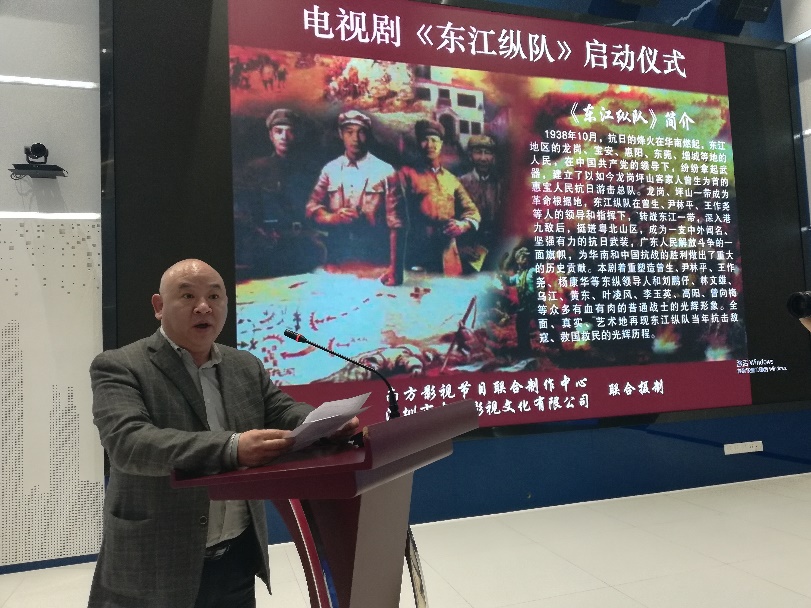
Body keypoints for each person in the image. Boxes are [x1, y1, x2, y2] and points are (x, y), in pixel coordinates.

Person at [87, 259, 358, 608]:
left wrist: (323, 424)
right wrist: (232, 448)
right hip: (156, 563)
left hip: (237, 559)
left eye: (214, 296)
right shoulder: (121, 366)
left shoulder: (243, 365)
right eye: (188, 296)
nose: (204, 307)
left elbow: (282, 410)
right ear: (159, 306)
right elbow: (129, 444)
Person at [233, 108, 325, 279]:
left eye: (290, 131)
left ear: (297, 135)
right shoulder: (256, 169)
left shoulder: (311, 170)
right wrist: (261, 232)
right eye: (279, 131)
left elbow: (318, 207)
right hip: (268, 246)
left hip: (304, 246)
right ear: (271, 135)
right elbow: (242, 211)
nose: (284, 137)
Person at [305, 110, 400, 271]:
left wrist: (395, 267)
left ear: (368, 135)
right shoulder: (331, 169)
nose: (355, 138)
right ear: (341, 134)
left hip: (375, 256)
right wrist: (332, 217)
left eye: (361, 132)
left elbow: (397, 223)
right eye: (349, 132)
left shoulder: (385, 171)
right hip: (337, 256)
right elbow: (311, 207)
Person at [388, 119, 481, 283]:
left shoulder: (451, 179)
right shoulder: (405, 174)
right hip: (418, 254)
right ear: (419, 143)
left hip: (449, 259)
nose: (429, 145)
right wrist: (395, 270)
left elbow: (472, 211)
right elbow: (396, 221)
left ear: (441, 144)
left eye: (434, 140)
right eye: (425, 140)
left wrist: (463, 225)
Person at [457, 134, 503, 272]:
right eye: (478, 152)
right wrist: (460, 248)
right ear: (470, 156)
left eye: (487, 153)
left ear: (493, 157)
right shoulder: (460, 183)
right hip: (468, 250)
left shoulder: (500, 184)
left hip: (494, 251)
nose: (483, 158)